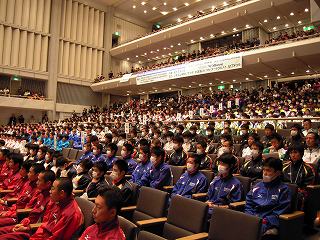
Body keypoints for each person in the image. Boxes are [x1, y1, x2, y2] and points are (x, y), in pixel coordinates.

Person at [245, 157, 291, 239]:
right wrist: (250, 216)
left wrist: (266, 220)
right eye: (264, 170)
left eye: (268, 170)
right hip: (253, 218)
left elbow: (280, 211)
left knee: (252, 232)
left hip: (269, 223)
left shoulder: (283, 189)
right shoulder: (257, 186)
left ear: (278, 173)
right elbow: (249, 203)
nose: (265, 173)